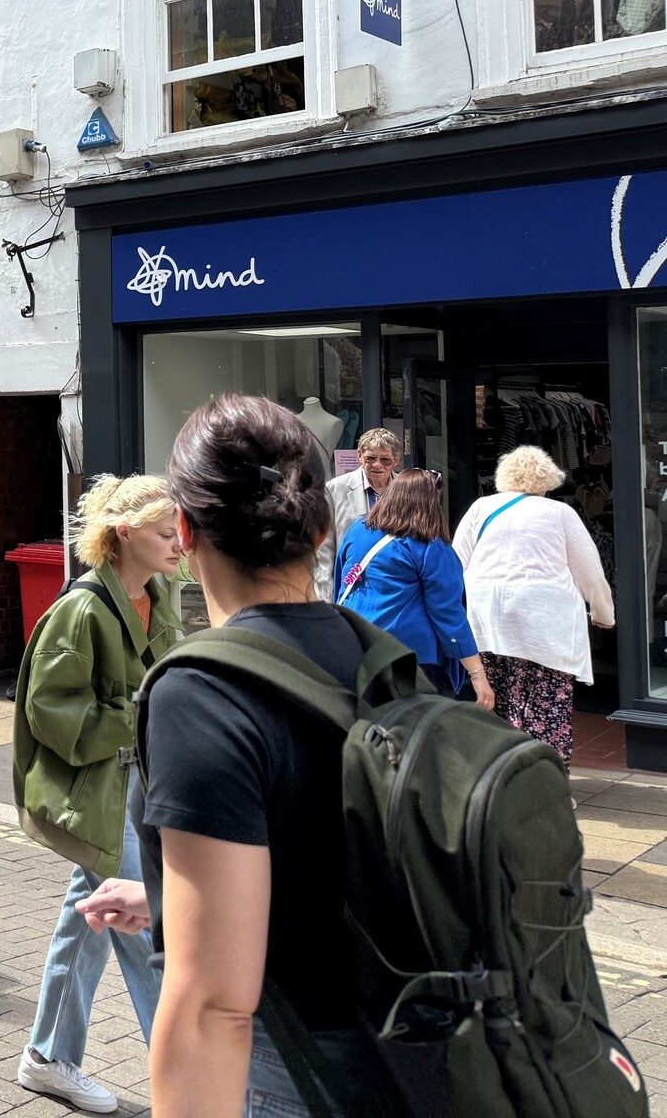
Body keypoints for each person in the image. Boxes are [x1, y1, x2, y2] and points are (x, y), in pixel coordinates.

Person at [126, 392, 395, 1112]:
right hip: (420, 1061)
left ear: (183, 530)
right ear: (321, 529)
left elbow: (215, 1008)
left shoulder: (201, 694)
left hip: (301, 1073)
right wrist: (170, 897)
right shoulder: (383, 659)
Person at [13, 474, 179, 1114]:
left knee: (94, 913)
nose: (177, 543)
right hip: (105, 787)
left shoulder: (157, 594)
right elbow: (49, 710)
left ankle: (48, 1056)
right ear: (124, 533)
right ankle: (186, 1081)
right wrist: (134, 716)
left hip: (144, 782)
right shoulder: (82, 609)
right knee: (145, 932)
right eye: (165, 533)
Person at [455, 444, 613, 770]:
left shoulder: (481, 507)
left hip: (489, 620)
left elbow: (456, 564)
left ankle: (500, 781)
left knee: (496, 705)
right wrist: (603, 614)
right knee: (545, 709)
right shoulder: (560, 513)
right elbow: (590, 572)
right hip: (545, 626)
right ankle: (546, 785)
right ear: (548, 479)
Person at [335, 466, 494, 709]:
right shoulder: (430, 546)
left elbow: (341, 583)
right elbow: (448, 614)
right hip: (410, 658)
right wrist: (477, 674)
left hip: (357, 647)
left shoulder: (357, 531)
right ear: (430, 503)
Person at [312, 427, 400, 599]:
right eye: (371, 458)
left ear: (396, 461)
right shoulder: (335, 489)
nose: (377, 465)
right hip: (351, 585)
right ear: (359, 456)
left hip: (392, 586)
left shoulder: (405, 490)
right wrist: (326, 598)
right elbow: (325, 548)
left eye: (385, 460)